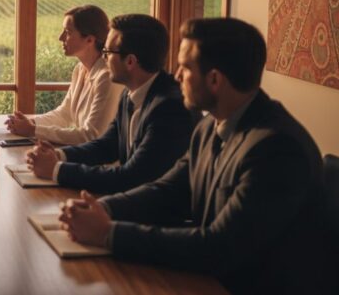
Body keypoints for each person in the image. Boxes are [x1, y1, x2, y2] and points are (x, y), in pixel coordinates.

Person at [58, 18, 336, 294]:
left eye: (185, 68)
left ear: (214, 79)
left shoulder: (277, 150)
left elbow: (219, 247)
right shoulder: (208, 126)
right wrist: (103, 210)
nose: (176, 75)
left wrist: (108, 233)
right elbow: (168, 190)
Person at [26, 14, 197, 194]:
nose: (104, 58)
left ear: (130, 61)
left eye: (107, 53)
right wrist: (58, 155)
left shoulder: (170, 108)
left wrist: (56, 170)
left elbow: (130, 177)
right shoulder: (128, 93)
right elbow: (107, 145)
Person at [5, 5, 123, 144]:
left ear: (90, 40)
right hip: (82, 158)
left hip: (101, 164)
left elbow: (91, 135)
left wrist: (33, 130)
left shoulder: (107, 78)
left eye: (67, 32)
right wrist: (29, 123)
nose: (61, 37)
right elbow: (64, 114)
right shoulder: (80, 70)